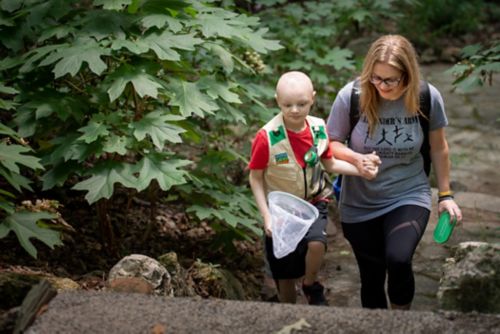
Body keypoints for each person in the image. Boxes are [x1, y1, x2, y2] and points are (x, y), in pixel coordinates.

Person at [326, 35, 463, 310]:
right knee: (372, 278)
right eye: (376, 78)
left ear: (408, 75)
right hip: (359, 202)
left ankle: (402, 321)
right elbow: (330, 143)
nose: (382, 86)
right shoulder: (351, 96)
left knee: (399, 259)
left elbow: (439, 148)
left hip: (408, 193)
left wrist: (446, 195)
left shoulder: (427, 97)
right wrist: (356, 158)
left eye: (391, 80)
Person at [248, 71, 379, 305]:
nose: (295, 110)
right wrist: (266, 216)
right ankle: (289, 312)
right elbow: (255, 177)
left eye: (302, 103)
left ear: (313, 98)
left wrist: (361, 169)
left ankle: (310, 284)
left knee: (317, 243)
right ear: (277, 100)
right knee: (285, 274)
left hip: (314, 201)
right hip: (282, 211)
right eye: (288, 104)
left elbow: (329, 163)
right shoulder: (267, 136)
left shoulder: (319, 129)